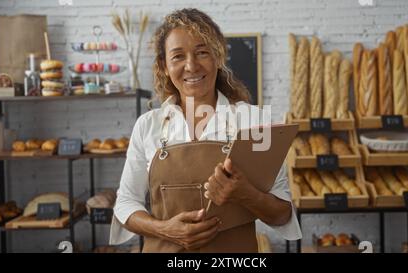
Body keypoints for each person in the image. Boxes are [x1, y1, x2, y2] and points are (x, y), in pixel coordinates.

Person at [110, 8, 301, 252]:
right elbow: (126, 203)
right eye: (178, 56)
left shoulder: (253, 121)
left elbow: (282, 214)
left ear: (217, 58)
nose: (191, 66)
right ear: (164, 66)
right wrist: (165, 229)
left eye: (202, 52)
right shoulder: (148, 126)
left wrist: (246, 194)